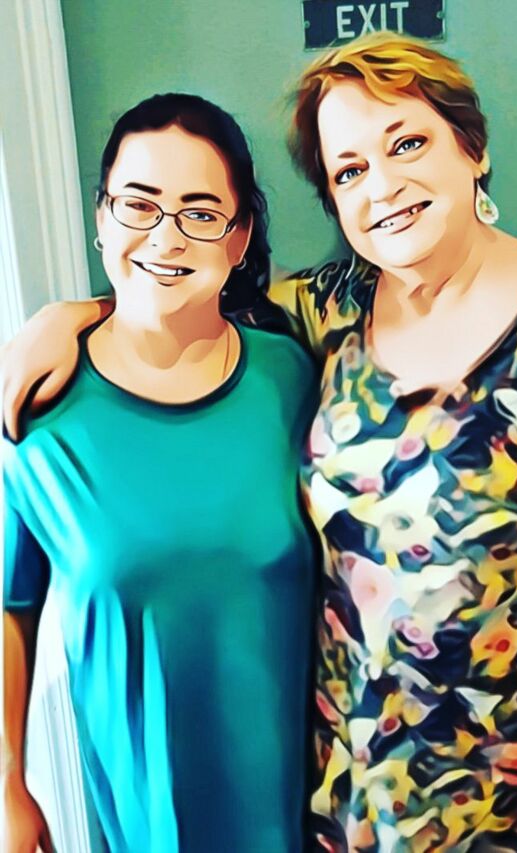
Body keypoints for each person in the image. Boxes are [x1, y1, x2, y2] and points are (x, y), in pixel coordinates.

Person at [4, 33, 517, 852]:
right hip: (350, 807)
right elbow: (176, 287)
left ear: (472, 148)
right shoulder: (332, 312)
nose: (383, 186)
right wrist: (68, 317)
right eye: (349, 170)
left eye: (407, 144)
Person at [2, 93, 319, 852]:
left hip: (314, 809)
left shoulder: (292, 375)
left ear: (239, 237)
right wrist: (8, 786)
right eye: (138, 205)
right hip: (143, 818)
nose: (166, 236)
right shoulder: (36, 411)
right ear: (102, 218)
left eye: (200, 213)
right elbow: (9, 609)